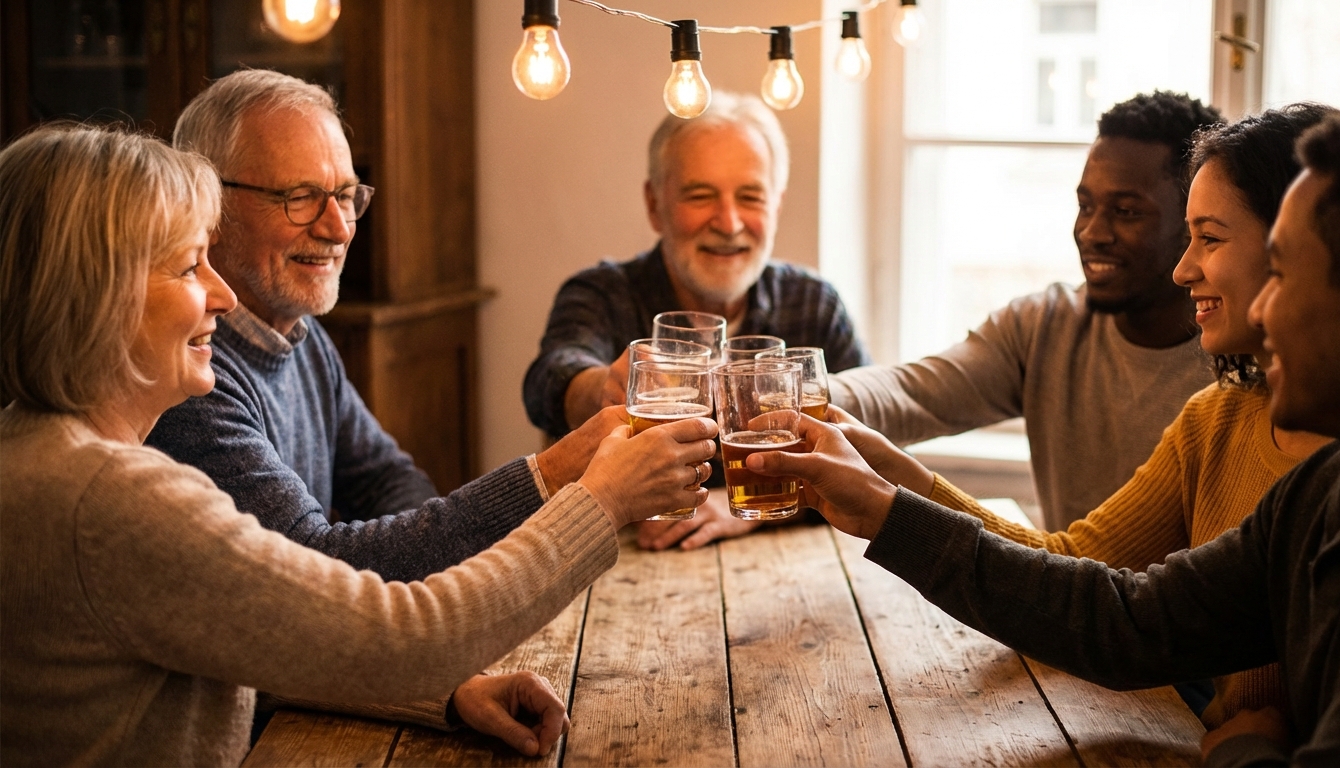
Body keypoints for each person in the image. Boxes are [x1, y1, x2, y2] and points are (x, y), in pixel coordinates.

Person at [0, 124, 717, 766]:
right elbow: (408, 636)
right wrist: (597, 500)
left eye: (346, 195)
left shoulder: (42, 457)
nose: (222, 295)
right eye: (191, 266)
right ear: (96, 293)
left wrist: (441, 695)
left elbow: (253, 635)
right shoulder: (117, 501)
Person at [748, 104, 1340, 766]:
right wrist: (889, 500)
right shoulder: (1316, 489)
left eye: (1282, 273)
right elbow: (1122, 621)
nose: (1188, 272)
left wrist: (1243, 752)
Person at [145, 70, 619, 584]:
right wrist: (549, 476)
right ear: (210, 207)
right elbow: (311, 570)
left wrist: (421, 557)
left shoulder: (302, 337)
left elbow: (389, 480)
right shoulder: (189, 375)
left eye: (346, 195)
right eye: (300, 196)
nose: (338, 228)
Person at [831, 91, 1224, 533]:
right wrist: (795, 394)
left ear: (1191, 224)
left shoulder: (1233, 364)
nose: (1091, 232)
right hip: (1057, 574)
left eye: (1126, 211)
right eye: (1085, 206)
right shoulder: (1044, 326)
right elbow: (910, 392)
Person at [522, 91, 869, 550]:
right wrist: (600, 387)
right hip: (620, 566)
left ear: (777, 205)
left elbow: (867, 455)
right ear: (654, 205)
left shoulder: (813, 303)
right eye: (700, 196)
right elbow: (548, 379)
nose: (728, 223)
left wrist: (750, 507)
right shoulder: (602, 293)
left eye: (750, 197)